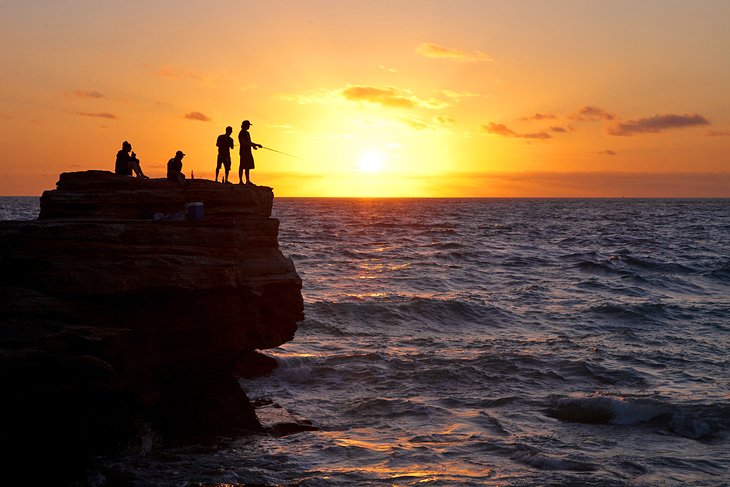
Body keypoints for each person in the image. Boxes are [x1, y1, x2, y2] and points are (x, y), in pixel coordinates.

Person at [238, 120, 262, 185]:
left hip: (248, 152)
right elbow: (244, 143)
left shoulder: (247, 133)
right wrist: (254, 145)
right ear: (245, 125)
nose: (249, 126)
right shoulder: (241, 133)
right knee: (242, 166)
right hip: (243, 152)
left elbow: (249, 142)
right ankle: (240, 181)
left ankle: (247, 181)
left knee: (247, 167)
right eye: (248, 125)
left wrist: (255, 145)